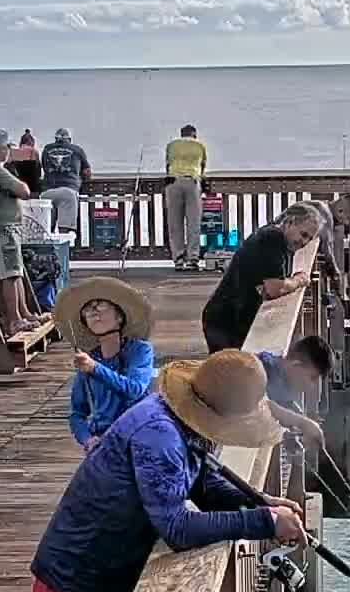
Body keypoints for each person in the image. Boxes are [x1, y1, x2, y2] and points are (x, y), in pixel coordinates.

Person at [29, 349, 306, 592]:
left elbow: (202, 480)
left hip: (111, 580)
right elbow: (176, 527)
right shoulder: (158, 436)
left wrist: (260, 501)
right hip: (77, 587)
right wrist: (264, 522)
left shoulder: (177, 420)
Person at [201, 202, 324, 353]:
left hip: (229, 317)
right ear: (290, 222)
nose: (304, 242)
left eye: (309, 239)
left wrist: (286, 282)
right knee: (229, 371)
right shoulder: (273, 239)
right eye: (303, 234)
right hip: (226, 320)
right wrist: (298, 280)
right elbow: (273, 288)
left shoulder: (280, 238)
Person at [57, 276, 156, 452]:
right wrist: (87, 439)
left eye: (101, 305)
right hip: (103, 440)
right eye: (88, 309)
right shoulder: (88, 360)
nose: (94, 311)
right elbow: (77, 413)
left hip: (139, 436)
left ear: (119, 317)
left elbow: (134, 389)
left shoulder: (140, 351)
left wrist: (95, 368)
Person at [0, 128, 45, 334]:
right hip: (4, 227)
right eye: (8, 147)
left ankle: (24, 313)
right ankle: (15, 320)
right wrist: (19, 180)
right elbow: (24, 192)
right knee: (10, 274)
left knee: (17, 271)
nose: (10, 151)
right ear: (1, 149)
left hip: (7, 226)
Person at [257, 334, 332, 448]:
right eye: (312, 378)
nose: (311, 386)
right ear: (296, 364)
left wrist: (288, 433)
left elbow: (282, 408)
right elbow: (260, 407)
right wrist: (302, 423)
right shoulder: (262, 371)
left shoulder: (285, 390)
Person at [164, 125, 208, 271]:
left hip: (173, 182)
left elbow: (168, 164)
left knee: (174, 223)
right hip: (192, 182)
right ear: (194, 135)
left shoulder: (171, 145)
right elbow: (202, 167)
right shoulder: (200, 146)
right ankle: (192, 259)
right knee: (193, 222)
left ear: (181, 134)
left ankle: (178, 258)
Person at [40, 127, 92, 235]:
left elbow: (44, 167)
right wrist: (81, 178)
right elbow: (87, 172)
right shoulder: (77, 150)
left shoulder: (46, 149)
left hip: (47, 192)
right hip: (68, 191)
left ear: (55, 139)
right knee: (65, 231)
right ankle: (64, 250)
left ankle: (47, 250)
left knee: (46, 230)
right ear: (69, 139)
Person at [10, 129, 45, 194]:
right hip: (33, 188)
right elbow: (39, 172)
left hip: (19, 187)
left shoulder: (14, 152)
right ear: (32, 142)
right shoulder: (34, 151)